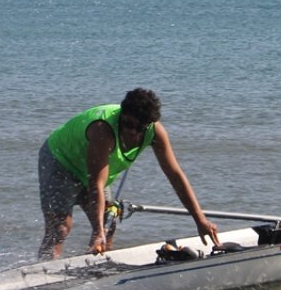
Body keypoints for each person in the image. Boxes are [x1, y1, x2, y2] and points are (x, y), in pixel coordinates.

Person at [38, 88, 220, 260]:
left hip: (92, 171)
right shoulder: (103, 129)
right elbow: (96, 184)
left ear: (148, 125)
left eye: (139, 128)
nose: (132, 132)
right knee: (60, 229)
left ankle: (99, 269)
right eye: (127, 125)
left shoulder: (156, 133)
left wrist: (200, 220)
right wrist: (97, 231)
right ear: (121, 117)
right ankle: (41, 274)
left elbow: (175, 175)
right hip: (61, 161)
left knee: (109, 224)